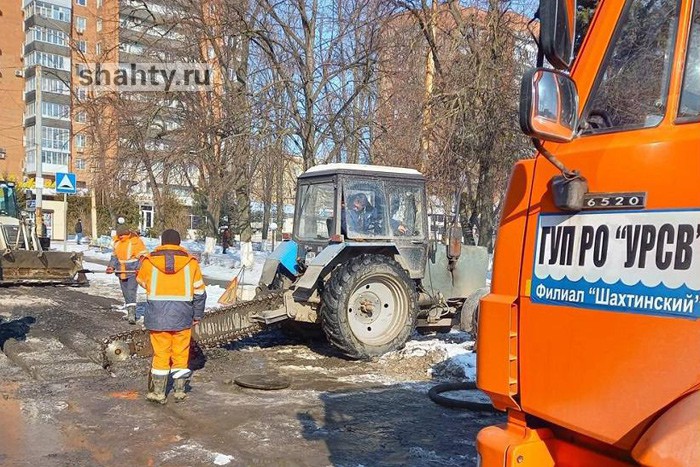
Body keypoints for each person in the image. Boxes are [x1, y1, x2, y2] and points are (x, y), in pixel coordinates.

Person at [136, 229, 206, 404]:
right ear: (179, 243)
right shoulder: (191, 264)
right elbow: (200, 293)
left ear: (161, 242)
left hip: (157, 316)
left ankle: (159, 393)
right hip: (183, 316)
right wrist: (197, 315)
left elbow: (142, 282)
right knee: (181, 354)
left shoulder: (149, 262)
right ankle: (180, 391)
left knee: (161, 354)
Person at [106, 225, 148, 324]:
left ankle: (132, 315)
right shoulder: (116, 242)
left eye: (123, 235)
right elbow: (114, 257)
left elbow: (143, 256)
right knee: (125, 292)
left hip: (133, 271)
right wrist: (111, 267)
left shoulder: (135, 241)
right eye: (120, 235)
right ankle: (129, 312)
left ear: (127, 234)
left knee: (131, 291)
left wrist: (140, 268)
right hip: (121, 270)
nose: (121, 237)